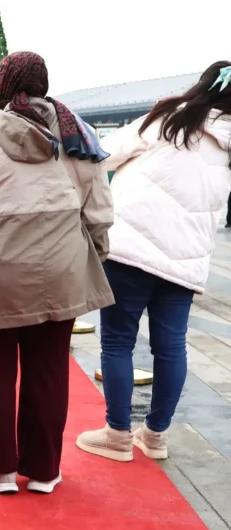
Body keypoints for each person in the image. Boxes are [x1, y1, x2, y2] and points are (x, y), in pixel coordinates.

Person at [0, 51, 114, 495]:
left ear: (2, 88)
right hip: (62, 271)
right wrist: (95, 257)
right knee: (49, 368)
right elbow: (100, 212)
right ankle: (45, 470)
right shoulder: (79, 135)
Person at [77, 62, 231, 462]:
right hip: (185, 261)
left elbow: (104, 154)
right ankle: (156, 436)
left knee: (116, 341)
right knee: (171, 347)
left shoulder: (168, 119)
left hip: (131, 249)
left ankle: (117, 436)